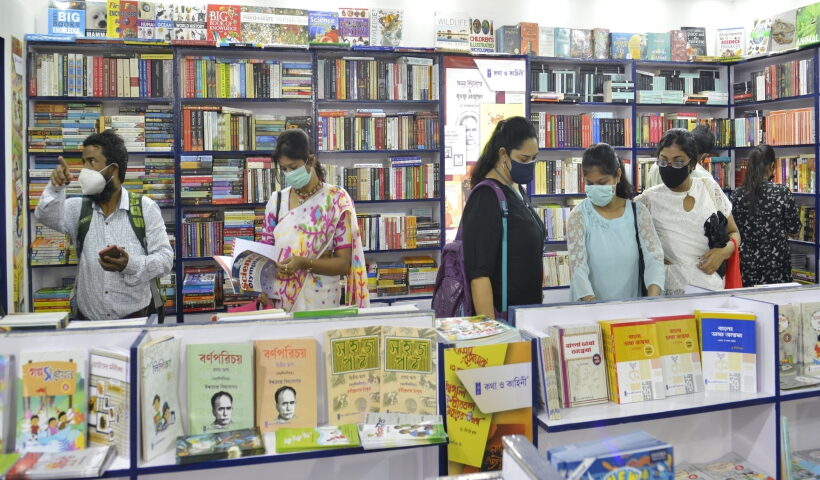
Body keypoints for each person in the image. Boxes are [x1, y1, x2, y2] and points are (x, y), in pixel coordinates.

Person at [34, 130, 173, 320]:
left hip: (134, 320)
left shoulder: (145, 208)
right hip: (87, 322)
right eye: (83, 162)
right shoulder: (78, 208)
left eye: (91, 162)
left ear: (112, 169)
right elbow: (44, 215)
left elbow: (165, 260)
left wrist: (129, 264)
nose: (84, 170)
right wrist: (55, 188)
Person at [258, 128, 369, 312]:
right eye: (284, 169)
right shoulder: (276, 202)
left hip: (321, 300)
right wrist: (261, 283)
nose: (289, 174)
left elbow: (343, 264)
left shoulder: (336, 200)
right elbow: (265, 255)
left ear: (310, 161)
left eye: (293, 167)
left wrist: (304, 263)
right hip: (281, 303)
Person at [635, 128, 741, 294]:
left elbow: (734, 232)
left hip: (712, 288)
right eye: (663, 161)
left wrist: (724, 251)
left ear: (692, 164)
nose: (669, 167)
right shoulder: (647, 200)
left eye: (678, 162)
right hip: (671, 292)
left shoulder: (709, 188)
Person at [462, 116, 546, 318]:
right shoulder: (486, 197)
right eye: (524, 159)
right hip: (503, 319)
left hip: (526, 316)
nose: (530, 165)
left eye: (534, 158)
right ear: (503, 155)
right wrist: (492, 333)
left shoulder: (517, 191)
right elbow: (479, 274)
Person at [567, 143, 665, 301]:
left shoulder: (638, 212)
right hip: (589, 309)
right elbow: (578, 268)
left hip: (632, 308)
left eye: (602, 182)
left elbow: (654, 258)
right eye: (590, 184)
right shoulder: (578, 215)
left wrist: (651, 300)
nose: (595, 188)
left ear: (618, 175)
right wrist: (597, 308)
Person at [730, 144, 801, 286]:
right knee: (777, 303)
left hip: (747, 263)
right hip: (777, 263)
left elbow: (733, 230)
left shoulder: (737, 194)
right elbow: (794, 230)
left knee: (748, 304)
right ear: (772, 165)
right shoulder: (782, 192)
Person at [644, 124, 715, 190]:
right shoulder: (705, 178)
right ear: (704, 155)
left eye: (678, 162)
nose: (669, 166)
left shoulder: (656, 167)